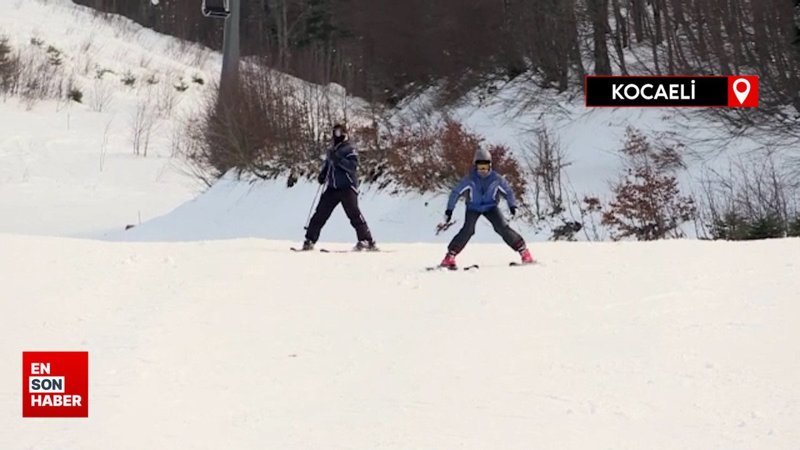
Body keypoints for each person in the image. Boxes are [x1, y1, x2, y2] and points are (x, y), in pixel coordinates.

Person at [439, 148, 534, 267]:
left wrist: (512, 205)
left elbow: (508, 192)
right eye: (480, 167)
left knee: (502, 227)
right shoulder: (470, 179)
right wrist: (449, 210)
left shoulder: (496, 178)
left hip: (491, 207)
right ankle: (449, 257)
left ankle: (524, 252)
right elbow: (455, 193)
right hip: (473, 208)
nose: (483, 170)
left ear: (490, 165)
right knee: (468, 230)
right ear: (475, 166)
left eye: (485, 166)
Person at [301, 124, 377, 251]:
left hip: (347, 187)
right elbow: (328, 164)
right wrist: (323, 174)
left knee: (354, 214)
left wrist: (339, 160)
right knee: (320, 213)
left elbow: (352, 166)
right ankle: (310, 239)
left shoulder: (350, 149)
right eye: (333, 132)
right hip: (332, 187)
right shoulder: (332, 150)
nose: (335, 135)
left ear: (344, 134)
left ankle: (366, 240)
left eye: (337, 132)